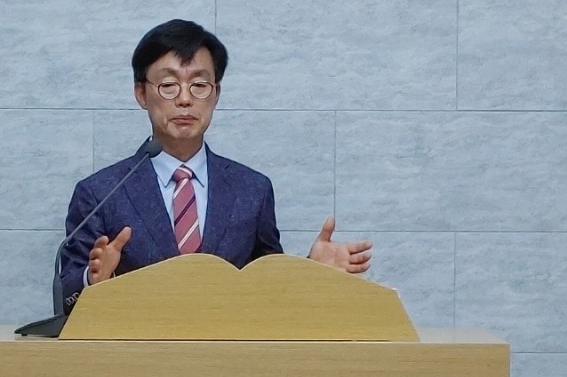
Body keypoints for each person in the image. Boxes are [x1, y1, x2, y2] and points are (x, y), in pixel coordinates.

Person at [59, 19, 372, 308]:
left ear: (216, 94)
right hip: (136, 349)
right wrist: (93, 281)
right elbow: (66, 297)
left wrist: (310, 271)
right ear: (141, 93)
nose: (185, 99)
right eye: (168, 85)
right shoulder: (101, 193)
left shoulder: (252, 190)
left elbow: (268, 294)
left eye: (199, 85)